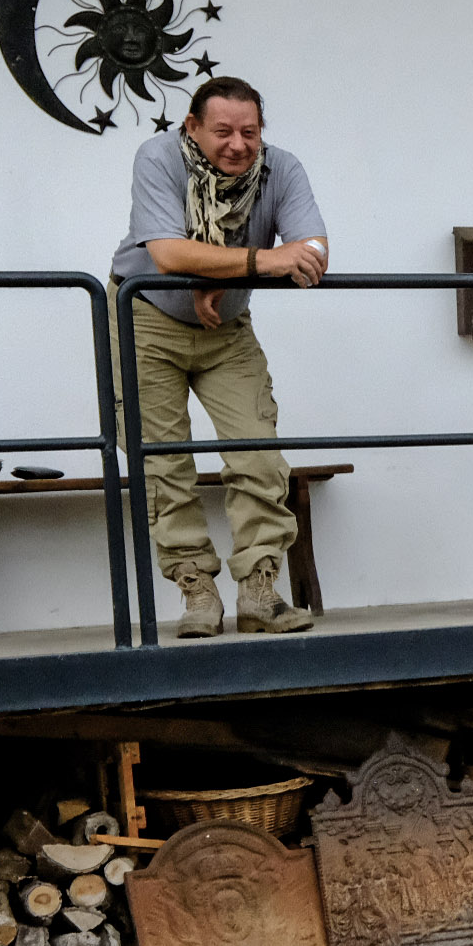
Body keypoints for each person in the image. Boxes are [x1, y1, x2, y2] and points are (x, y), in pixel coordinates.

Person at [110, 75, 328, 637]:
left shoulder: (283, 169)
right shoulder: (157, 157)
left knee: (257, 449)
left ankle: (260, 591)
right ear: (192, 128)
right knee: (162, 464)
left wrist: (221, 273)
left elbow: (312, 250)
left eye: (249, 132)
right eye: (222, 131)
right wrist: (246, 263)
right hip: (145, 317)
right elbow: (165, 252)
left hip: (226, 326)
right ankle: (197, 594)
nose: (237, 144)